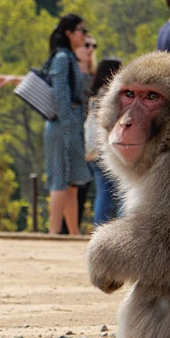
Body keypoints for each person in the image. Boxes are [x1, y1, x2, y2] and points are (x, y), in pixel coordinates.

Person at [42, 14, 92, 235]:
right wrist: (69, 128)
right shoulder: (63, 59)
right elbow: (61, 96)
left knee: (72, 184)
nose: (85, 34)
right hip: (62, 128)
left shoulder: (68, 58)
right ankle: (54, 232)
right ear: (70, 33)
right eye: (81, 30)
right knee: (60, 181)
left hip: (68, 127)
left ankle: (73, 233)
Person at [60, 34, 98, 234]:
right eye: (86, 45)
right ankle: (66, 230)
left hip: (88, 139)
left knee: (83, 186)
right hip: (73, 134)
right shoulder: (69, 73)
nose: (90, 48)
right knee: (69, 185)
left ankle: (72, 228)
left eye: (93, 45)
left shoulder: (94, 75)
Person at [84, 58, 123, 226]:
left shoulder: (94, 95)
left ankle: (98, 230)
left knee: (103, 196)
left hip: (94, 151)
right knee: (121, 195)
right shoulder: (111, 94)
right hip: (109, 150)